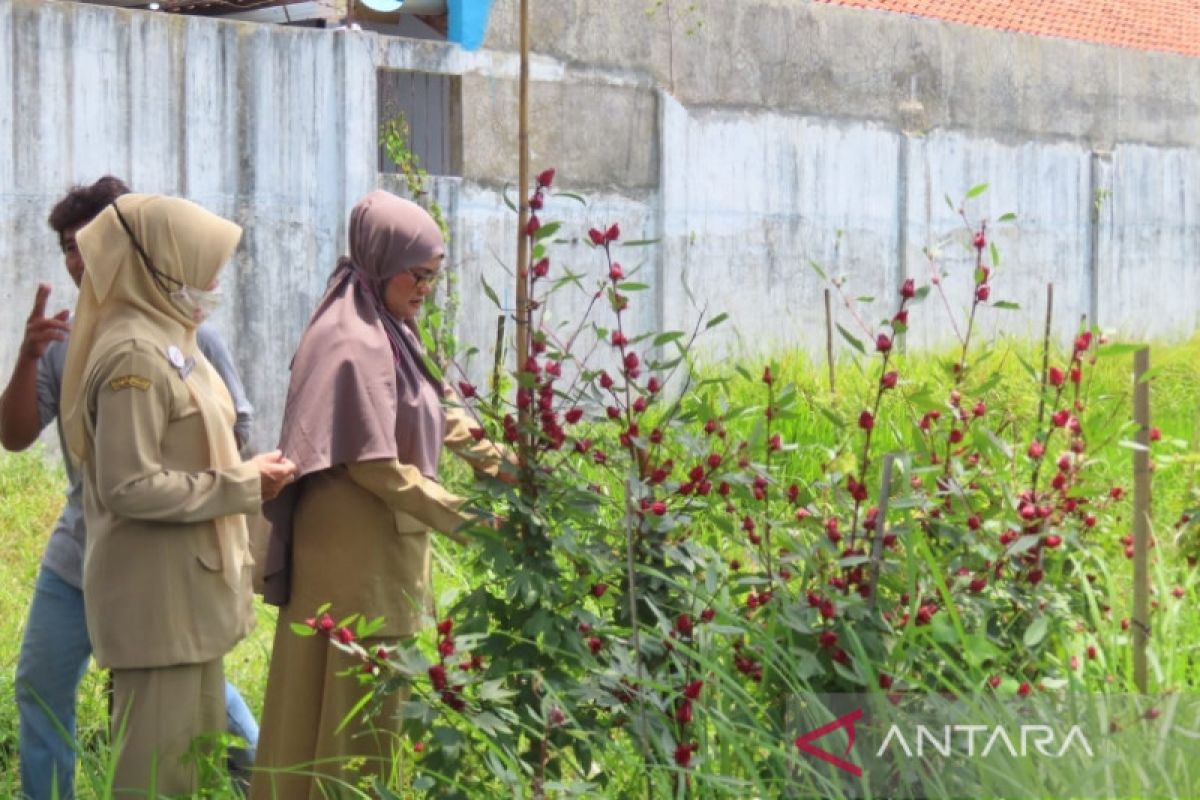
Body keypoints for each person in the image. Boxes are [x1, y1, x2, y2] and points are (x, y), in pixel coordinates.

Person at [0, 178, 261, 800]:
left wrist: (222, 493)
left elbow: (234, 429)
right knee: (41, 684)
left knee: (185, 697)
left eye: (90, 240)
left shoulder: (180, 331)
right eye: (67, 244)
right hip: (80, 555)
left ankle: (268, 777)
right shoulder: (72, 342)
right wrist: (29, 356)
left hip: (162, 562)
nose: (76, 256)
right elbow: (14, 438)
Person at [250, 191, 510, 799]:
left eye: (433, 278)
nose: (425, 289)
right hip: (351, 563)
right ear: (380, 260)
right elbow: (377, 468)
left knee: (339, 710)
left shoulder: (385, 323)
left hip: (369, 557)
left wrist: (502, 463)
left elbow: (434, 406)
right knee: (351, 716)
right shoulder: (352, 339)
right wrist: (472, 519)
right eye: (417, 276)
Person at [56, 192, 296, 797]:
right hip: (155, 605)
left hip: (187, 598)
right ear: (162, 263)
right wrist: (244, 484)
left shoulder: (173, 334)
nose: (213, 278)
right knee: (153, 778)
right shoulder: (133, 353)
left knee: (189, 772)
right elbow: (127, 485)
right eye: (200, 260)